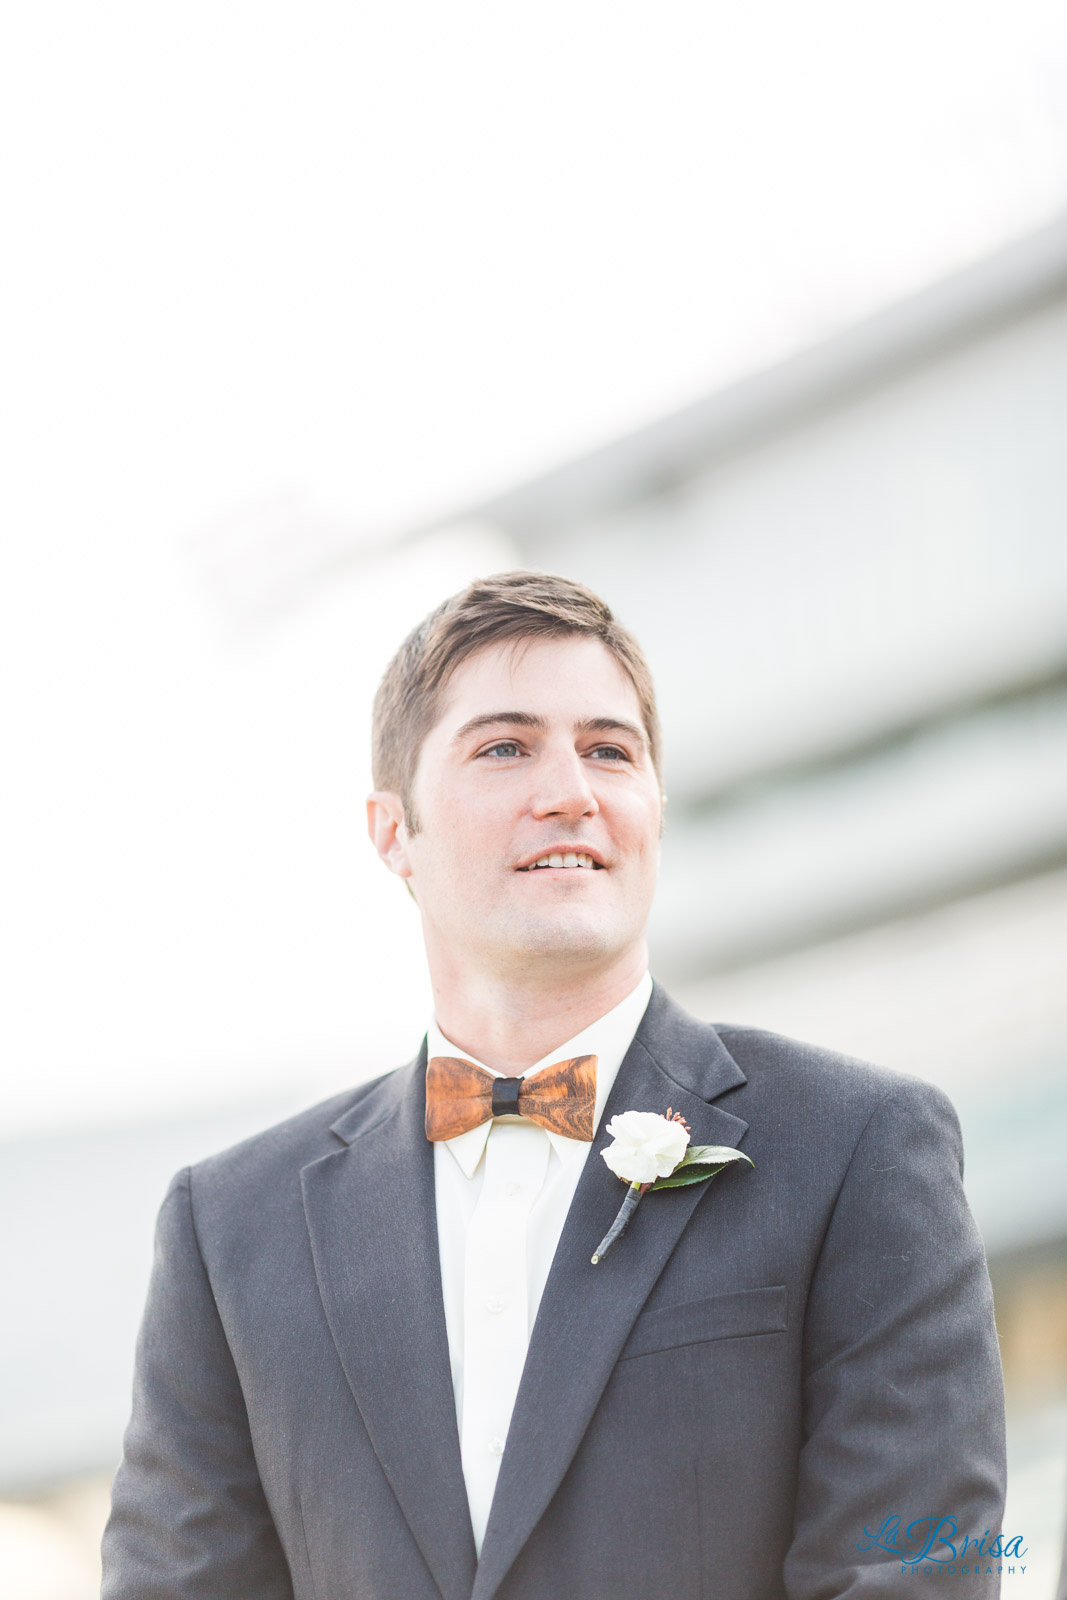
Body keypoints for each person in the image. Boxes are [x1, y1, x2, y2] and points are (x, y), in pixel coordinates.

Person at [101, 571, 1006, 1599]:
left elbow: (910, 1571)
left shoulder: (857, 1147)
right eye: (504, 747)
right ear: (391, 831)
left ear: (651, 809)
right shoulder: (228, 1230)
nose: (570, 789)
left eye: (609, 750)